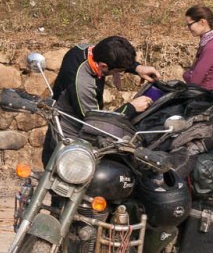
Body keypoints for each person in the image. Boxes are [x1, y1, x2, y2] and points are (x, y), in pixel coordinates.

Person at [44, 35, 148, 163]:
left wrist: (138, 68)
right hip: (70, 135)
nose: (119, 73)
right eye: (118, 71)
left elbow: (113, 57)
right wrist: (131, 107)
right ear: (104, 66)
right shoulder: (83, 84)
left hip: (69, 111)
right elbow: (95, 124)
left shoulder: (87, 50)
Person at [177, 5, 213, 96]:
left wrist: (185, 74)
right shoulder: (209, 42)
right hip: (209, 95)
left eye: (190, 24)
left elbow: (195, 79)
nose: (188, 28)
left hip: (211, 97)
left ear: (202, 22)